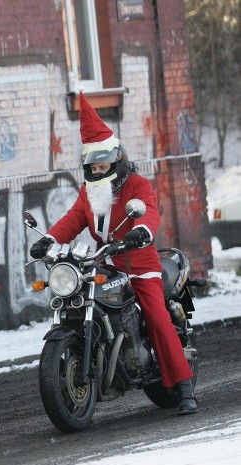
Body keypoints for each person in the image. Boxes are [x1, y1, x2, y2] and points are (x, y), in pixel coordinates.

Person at [29, 92, 197, 415]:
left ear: (116, 159)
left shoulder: (136, 184)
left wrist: (142, 231)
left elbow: (149, 211)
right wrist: (48, 239)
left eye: (103, 163)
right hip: (108, 262)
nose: (97, 170)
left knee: (158, 319)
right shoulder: (89, 194)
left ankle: (185, 387)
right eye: (92, 165)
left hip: (141, 265)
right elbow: (72, 221)